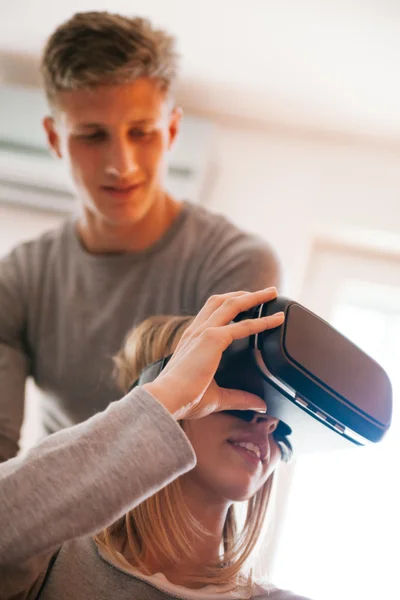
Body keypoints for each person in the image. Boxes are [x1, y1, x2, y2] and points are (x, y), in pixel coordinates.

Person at [0, 11, 280, 462]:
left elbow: (209, 453)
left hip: (170, 529)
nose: (121, 164)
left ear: (171, 130)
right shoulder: (17, 280)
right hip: (53, 522)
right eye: (92, 135)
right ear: (54, 138)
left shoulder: (234, 264)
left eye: (141, 132)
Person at [0, 287, 311, 599]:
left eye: (276, 409)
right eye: (240, 388)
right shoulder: (50, 561)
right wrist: (165, 399)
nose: (268, 419)